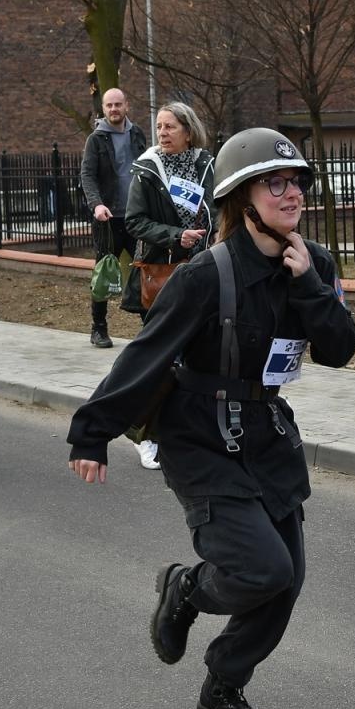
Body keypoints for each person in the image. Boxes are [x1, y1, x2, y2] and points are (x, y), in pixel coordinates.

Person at [67, 127, 355, 709]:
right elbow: (146, 353)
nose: (292, 194)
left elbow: (338, 349)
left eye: (297, 181)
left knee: (285, 583)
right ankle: (185, 587)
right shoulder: (206, 275)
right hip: (198, 435)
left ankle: (222, 687)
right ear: (241, 197)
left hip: (268, 434)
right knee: (261, 569)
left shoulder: (314, 262)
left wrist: (308, 283)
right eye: (274, 183)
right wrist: (92, 433)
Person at [123, 101, 216, 469]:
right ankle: (144, 435)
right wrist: (178, 235)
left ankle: (187, 433)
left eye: (169, 127)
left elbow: (218, 207)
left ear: (188, 131)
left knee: (198, 358)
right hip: (161, 274)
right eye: (159, 127)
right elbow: (135, 221)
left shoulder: (206, 165)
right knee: (160, 360)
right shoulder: (147, 170)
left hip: (203, 271)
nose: (162, 133)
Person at [79, 87, 148, 348]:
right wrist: (96, 204)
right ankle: (98, 328)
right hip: (108, 218)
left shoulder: (138, 134)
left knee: (145, 269)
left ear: (126, 106)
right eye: (109, 106)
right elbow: (87, 175)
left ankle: (149, 327)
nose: (114, 110)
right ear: (104, 109)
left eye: (118, 105)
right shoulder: (96, 139)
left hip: (136, 216)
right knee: (104, 272)